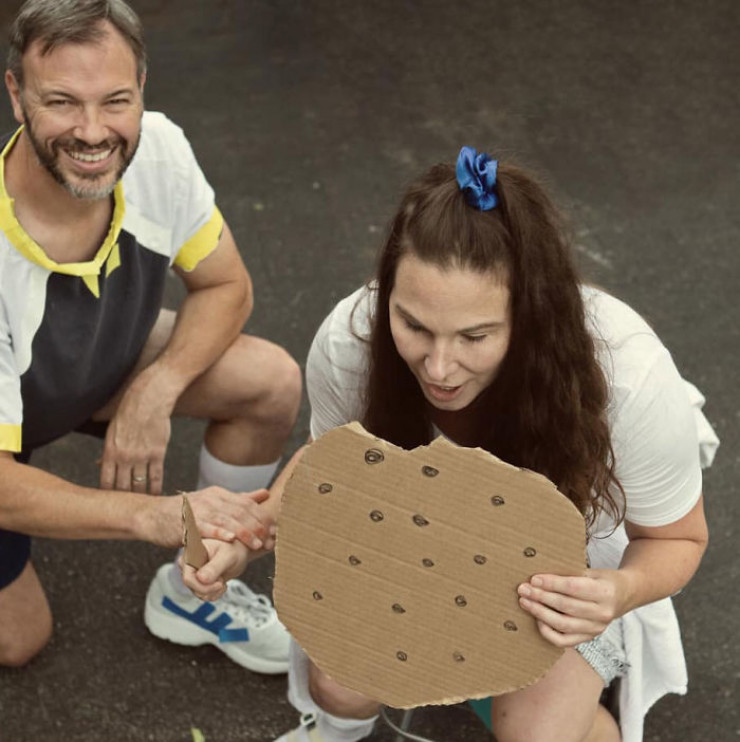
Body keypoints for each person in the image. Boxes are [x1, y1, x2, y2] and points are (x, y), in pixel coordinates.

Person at [185, 146, 717, 742]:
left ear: (532, 314)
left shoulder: (627, 379)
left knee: (537, 733)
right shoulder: (351, 339)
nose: (438, 368)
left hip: (566, 559)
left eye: (475, 336)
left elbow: (677, 537)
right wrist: (252, 533)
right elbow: (332, 466)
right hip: (412, 521)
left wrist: (618, 591)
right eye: (413, 325)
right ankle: (334, 730)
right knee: (338, 679)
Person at [0, 0, 302, 675]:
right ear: (17, 95)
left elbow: (228, 287)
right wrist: (148, 514)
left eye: (115, 101)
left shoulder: (157, 148)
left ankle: (193, 594)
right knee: (20, 639)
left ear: (141, 87)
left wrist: (155, 389)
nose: (92, 133)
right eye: (61, 102)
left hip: (87, 372)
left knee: (269, 382)